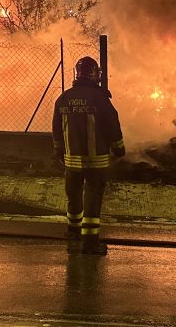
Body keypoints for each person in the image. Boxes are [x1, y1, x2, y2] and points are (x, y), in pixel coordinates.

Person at [53, 56, 125, 255]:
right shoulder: (100, 99)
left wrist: (59, 151)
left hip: (71, 160)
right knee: (92, 197)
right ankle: (90, 243)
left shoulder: (64, 98)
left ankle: (73, 231)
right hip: (96, 161)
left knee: (73, 195)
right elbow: (112, 126)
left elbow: (56, 131)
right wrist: (119, 148)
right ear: (95, 75)